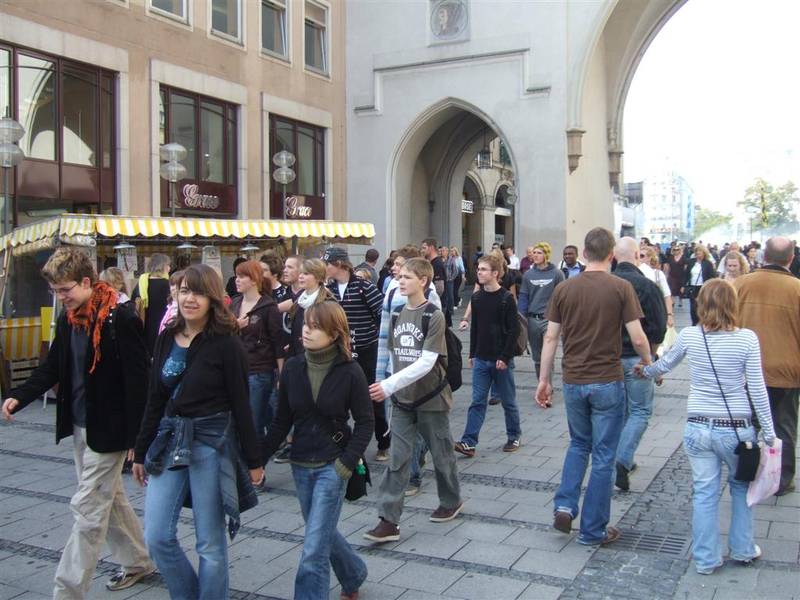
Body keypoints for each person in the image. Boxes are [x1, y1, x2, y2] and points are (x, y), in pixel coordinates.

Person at [2, 248, 153, 598]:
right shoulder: (69, 317)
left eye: (65, 289)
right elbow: (53, 366)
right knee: (109, 499)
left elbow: (138, 382)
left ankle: (67, 591)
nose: (60, 297)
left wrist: (138, 439)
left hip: (110, 432)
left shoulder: (121, 318)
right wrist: (20, 396)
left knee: (88, 508)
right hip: (81, 426)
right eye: (55, 290)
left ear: (87, 282)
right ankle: (137, 560)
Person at [132, 264, 264, 600]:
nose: (190, 299)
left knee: (210, 544)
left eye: (199, 293)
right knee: (157, 536)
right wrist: (141, 449)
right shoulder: (166, 336)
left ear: (213, 299)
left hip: (210, 443)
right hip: (170, 438)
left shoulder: (227, 344)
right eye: (184, 291)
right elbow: (154, 398)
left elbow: (241, 404)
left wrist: (254, 460)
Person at [636, 279, 775, 573]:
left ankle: (706, 559)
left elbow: (664, 365)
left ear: (702, 304)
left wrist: (645, 371)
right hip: (736, 430)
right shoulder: (747, 339)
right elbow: (757, 388)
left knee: (704, 493)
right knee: (741, 488)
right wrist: (770, 432)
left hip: (698, 427)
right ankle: (743, 549)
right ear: (733, 304)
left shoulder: (690, 336)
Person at [536, 228, 652, 546]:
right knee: (603, 455)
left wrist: (544, 380)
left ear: (584, 253)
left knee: (578, 444)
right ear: (611, 255)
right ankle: (592, 529)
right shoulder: (621, 287)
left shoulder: (564, 289)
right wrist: (649, 364)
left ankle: (564, 505)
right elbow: (638, 337)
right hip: (607, 380)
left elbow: (550, 337)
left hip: (573, 380)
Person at [263, 302, 373, 600]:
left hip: (332, 465)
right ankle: (353, 573)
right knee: (320, 532)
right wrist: (257, 459)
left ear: (334, 333)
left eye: (315, 327)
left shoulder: (350, 371)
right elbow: (281, 420)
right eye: (305, 325)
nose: (306, 331)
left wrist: (346, 463)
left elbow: (365, 422)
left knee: (313, 549)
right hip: (300, 464)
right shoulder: (294, 367)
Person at [365, 258, 463, 542]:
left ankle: (451, 500)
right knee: (398, 458)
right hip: (402, 401)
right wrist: (387, 382)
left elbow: (426, 362)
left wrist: (388, 385)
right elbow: (394, 354)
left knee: (442, 455)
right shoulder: (397, 313)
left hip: (431, 398)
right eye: (400, 276)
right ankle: (388, 520)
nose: (400, 280)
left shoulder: (434, 315)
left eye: (407, 277)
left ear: (423, 280)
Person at [734, 237, 800, 496]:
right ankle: (782, 480)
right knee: (784, 426)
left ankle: (745, 471)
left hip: (746, 370)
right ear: (791, 258)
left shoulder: (740, 284)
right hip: (787, 370)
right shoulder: (797, 288)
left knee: (748, 423)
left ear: (764, 256)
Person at [375, 246, 442, 495]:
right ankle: (409, 475)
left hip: (422, 378)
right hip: (395, 372)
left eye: (404, 271)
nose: (397, 274)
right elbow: (384, 335)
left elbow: (433, 346)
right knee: (402, 431)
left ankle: (416, 471)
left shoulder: (431, 299)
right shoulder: (392, 292)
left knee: (423, 430)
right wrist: (381, 373)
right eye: (398, 271)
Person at [611, 238, 667, 491]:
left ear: (614, 256)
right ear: (636, 256)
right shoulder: (647, 286)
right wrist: (650, 359)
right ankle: (622, 460)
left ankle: (623, 457)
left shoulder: (606, 283)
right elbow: (658, 328)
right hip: (637, 357)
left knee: (620, 411)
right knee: (640, 411)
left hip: (609, 358)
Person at [455, 253, 522, 457]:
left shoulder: (506, 298)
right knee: (477, 401)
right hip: (481, 359)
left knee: (508, 402)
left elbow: (514, 330)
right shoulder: (477, 298)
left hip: (501, 360)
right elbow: (476, 328)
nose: (479, 272)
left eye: (483, 269)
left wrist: (505, 357)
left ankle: (514, 436)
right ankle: (469, 442)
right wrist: (472, 353)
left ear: (495, 273)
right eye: (478, 269)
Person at [324, 247, 387, 460]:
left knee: (373, 396)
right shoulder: (328, 289)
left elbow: (381, 314)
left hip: (367, 349)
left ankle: (383, 441)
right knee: (339, 397)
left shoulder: (363, 287)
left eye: (328, 264)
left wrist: (375, 337)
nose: (325, 268)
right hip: (341, 351)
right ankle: (341, 441)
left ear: (339, 264)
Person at [229, 260, 285, 455]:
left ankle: (256, 463)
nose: (237, 280)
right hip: (236, 369)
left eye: (242, 276)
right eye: (236, 276)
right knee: (238, 420)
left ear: (254, 280)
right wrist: (235, 326)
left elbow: (277, 343)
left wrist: (281, 374)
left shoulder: (268, 307)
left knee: (253, 422)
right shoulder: (235, 303)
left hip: (259, 371)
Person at [517, 242, 564, 379]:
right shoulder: (528, 275)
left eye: (539, 253)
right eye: (534, 253)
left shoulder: (557, 274)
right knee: (537, 358)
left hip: (550, 320)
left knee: (547, 356)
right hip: (533, 320)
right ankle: (542, 383)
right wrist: (520, 318)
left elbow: (562, 297)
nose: (535, 255)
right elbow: (523, 297)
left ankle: (548, 386)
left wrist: (563, 318)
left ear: (546, 255)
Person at [132, 253, 171, 356]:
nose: (169, 268)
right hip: (164, 328)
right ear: (163, 266)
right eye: (168, 265)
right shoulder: (169, 285)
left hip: (144, 328)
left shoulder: (141, 284)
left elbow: (133, 303)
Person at [639, 246, 674, 329]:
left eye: (642, 256)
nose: (639, 258)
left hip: (655, 312)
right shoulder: (635, 272)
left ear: (650, 258)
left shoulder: (658, 274)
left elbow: (667, 296)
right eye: (637, 256)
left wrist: (669, 315)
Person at [682, 244, 717, 326]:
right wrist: (683, 285)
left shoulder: (708, 263)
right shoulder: (691, 262)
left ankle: (703, 322)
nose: (698, 253)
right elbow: (686, 275)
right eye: (697, 251)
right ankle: (694, 324)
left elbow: (712, 276)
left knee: (702, 306)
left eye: (700, 251)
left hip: (703, 287)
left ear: (704, 253)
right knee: (693, 308)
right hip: (693, 287)